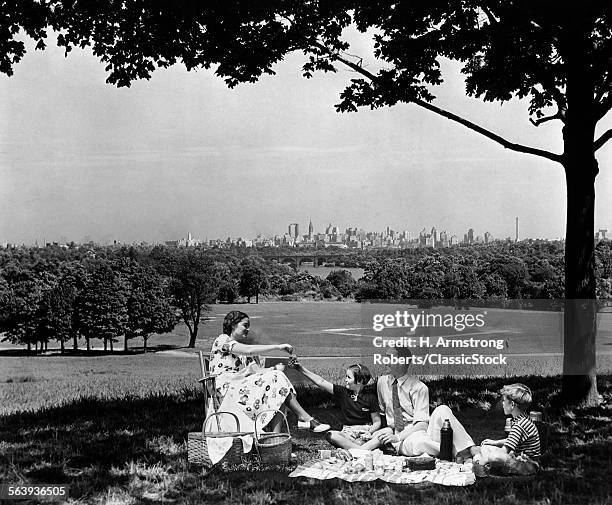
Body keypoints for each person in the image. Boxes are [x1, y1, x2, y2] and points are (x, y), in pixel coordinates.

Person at [209, 311, 330, 435]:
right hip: (225, 390)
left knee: (278, 386)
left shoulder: (243, 351)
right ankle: (304, 418)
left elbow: (258, 371)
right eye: (245, 325)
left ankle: (276, 437)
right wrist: (278, 347)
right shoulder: (223, 340)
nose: (248, 329)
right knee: (277, 381)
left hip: (242, 388)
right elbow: (249, 351)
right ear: (233, 325)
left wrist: (275, 369)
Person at [357, 346, 477, 460]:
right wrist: (376, 432)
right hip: (403, 438)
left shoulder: (419, 388)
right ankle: (461, 452)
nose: (385, 361)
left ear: (402, 362)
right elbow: (383, 412)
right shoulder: (382, 382)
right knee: (420, 443)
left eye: (389, 357)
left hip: (418, 430)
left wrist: (397, 437)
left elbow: (422, 425)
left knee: (443, 409)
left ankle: (469, 449)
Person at [294, 362, 382, 449]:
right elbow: (321, 382)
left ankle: (355, 448)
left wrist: (369, 432)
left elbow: (377, 422)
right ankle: (362, 449)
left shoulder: (371, 398)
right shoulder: (343, 392)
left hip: (366, 432)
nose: (345, 380)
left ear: (359, 381)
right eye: (346, 376)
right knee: (331, 435)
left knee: (386, 432)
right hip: (348, 433)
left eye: (349, 377)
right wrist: (301, 369)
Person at [473, 383, 540, 476]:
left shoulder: (519, 425)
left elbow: (504, 451)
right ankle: (488, 464)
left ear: (512, 404)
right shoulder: (523, 419)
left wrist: (486, 458)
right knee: (485, 447)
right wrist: (495, 443)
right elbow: (513, 440)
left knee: (493, 455)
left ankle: (482, 465)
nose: (502, 404)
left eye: (504, 401)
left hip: (528, 466)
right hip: (522, 460)